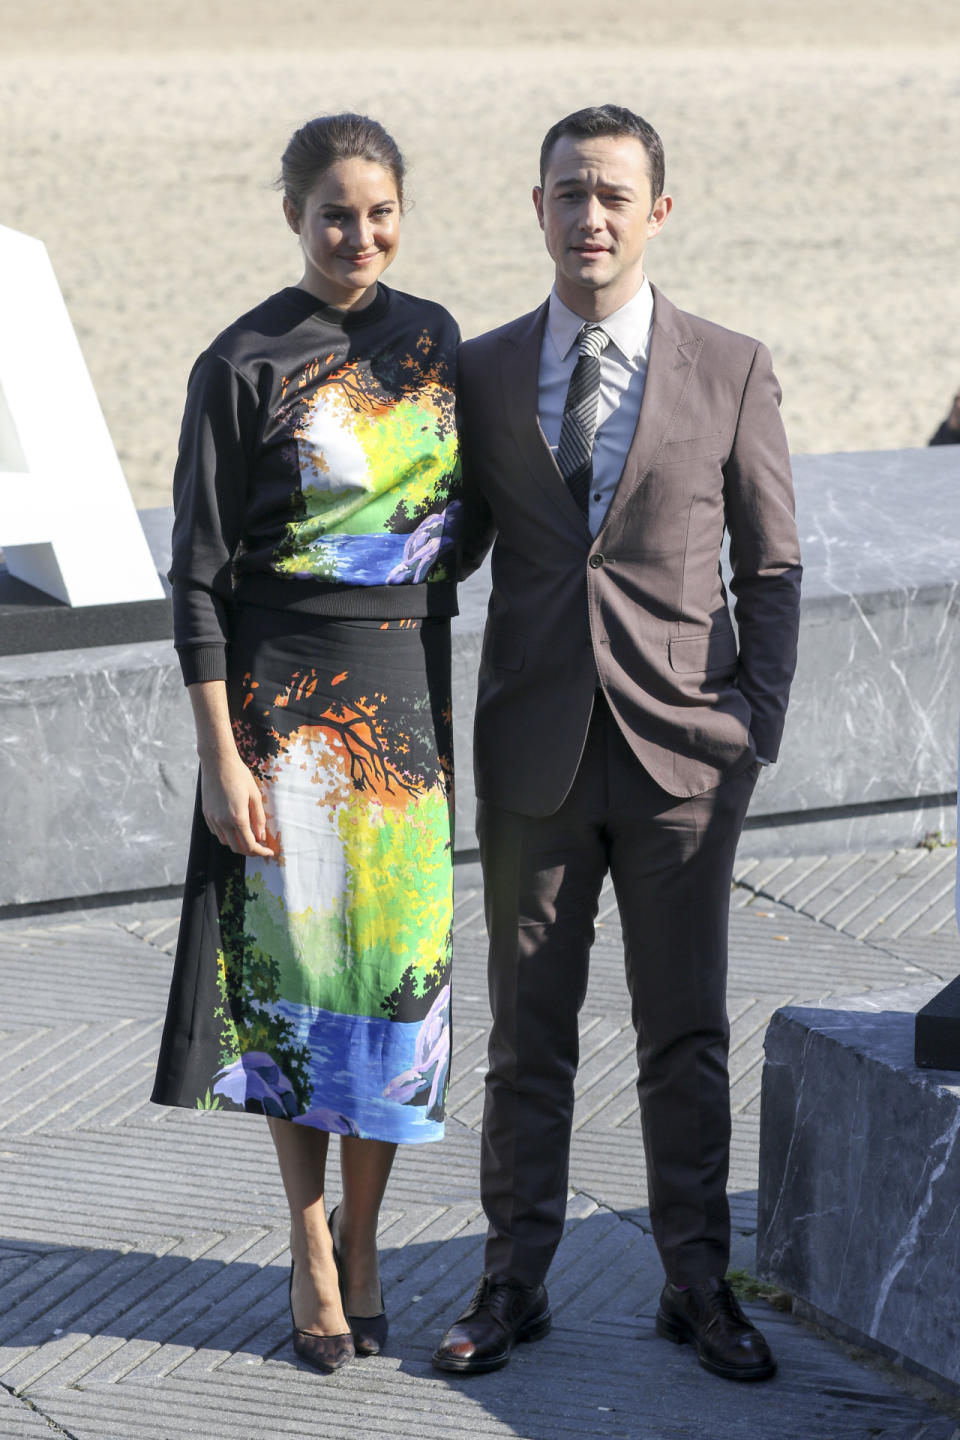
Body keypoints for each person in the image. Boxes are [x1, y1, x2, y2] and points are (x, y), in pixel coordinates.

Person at [433, 105, 801, 1383]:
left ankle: (698, 1282)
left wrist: (752, 726)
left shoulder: (733, 365)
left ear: (658, 211)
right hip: (532, 752)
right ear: (535, 208)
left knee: (683, 1030)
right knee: (525, 1034)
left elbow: (775, 564)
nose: (589, 216)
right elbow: (447, 555)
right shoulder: (478, 373)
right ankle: (512, 1280)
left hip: (684, 760)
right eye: (567, 193)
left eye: (613, 194)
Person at [152, 113, 463, 1375]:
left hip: (407, 703)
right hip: (286, 718)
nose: (361, 237)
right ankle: (307, 1240)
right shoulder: (240, 360)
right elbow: (196, 580)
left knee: (396, 994)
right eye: (337, 213)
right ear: (294, 215)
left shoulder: (434, 339)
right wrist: (225, 760)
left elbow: (468, 520)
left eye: (381, 212)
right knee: (293, 995)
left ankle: (372, 1232)